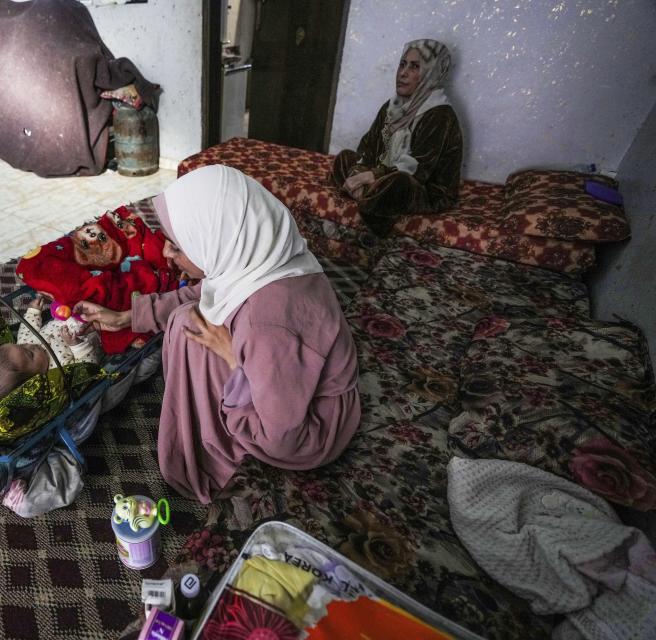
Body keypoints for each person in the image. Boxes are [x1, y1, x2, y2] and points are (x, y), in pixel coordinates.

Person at [74, 165, 361, 504]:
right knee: (189, 318)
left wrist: (233, 363)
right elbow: (206, 292)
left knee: (189, 332)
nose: (166, 254)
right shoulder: (264, 255)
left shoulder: (265, 326)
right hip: (289, 384)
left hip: (313, 430)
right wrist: (128, 316)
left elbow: (283, 438)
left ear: (216, 243)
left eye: (177, 246)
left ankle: (216, 458)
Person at [331, 39, 463, 237]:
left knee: (398, 182)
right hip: (385, 174)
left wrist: (368, 176)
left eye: (414, 67)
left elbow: (418, 170)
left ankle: (371, 224)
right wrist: (361, 170)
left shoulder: (440, 114)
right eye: (402, 64)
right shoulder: (392, 106)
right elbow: (368, 148)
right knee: (344, 158)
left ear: (431, 73)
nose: (402, 73)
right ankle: (368, 195)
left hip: (425, 190)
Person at [0, 296, 100, 400]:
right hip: (94, 330)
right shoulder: (57, 371)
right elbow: (86, 368)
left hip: (69, 313)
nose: (29, 345)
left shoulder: (24, 343)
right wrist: (76, 344)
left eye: (20, 345)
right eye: (31, 354)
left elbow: (27, 328)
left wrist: (34, 311)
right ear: (35, 379)